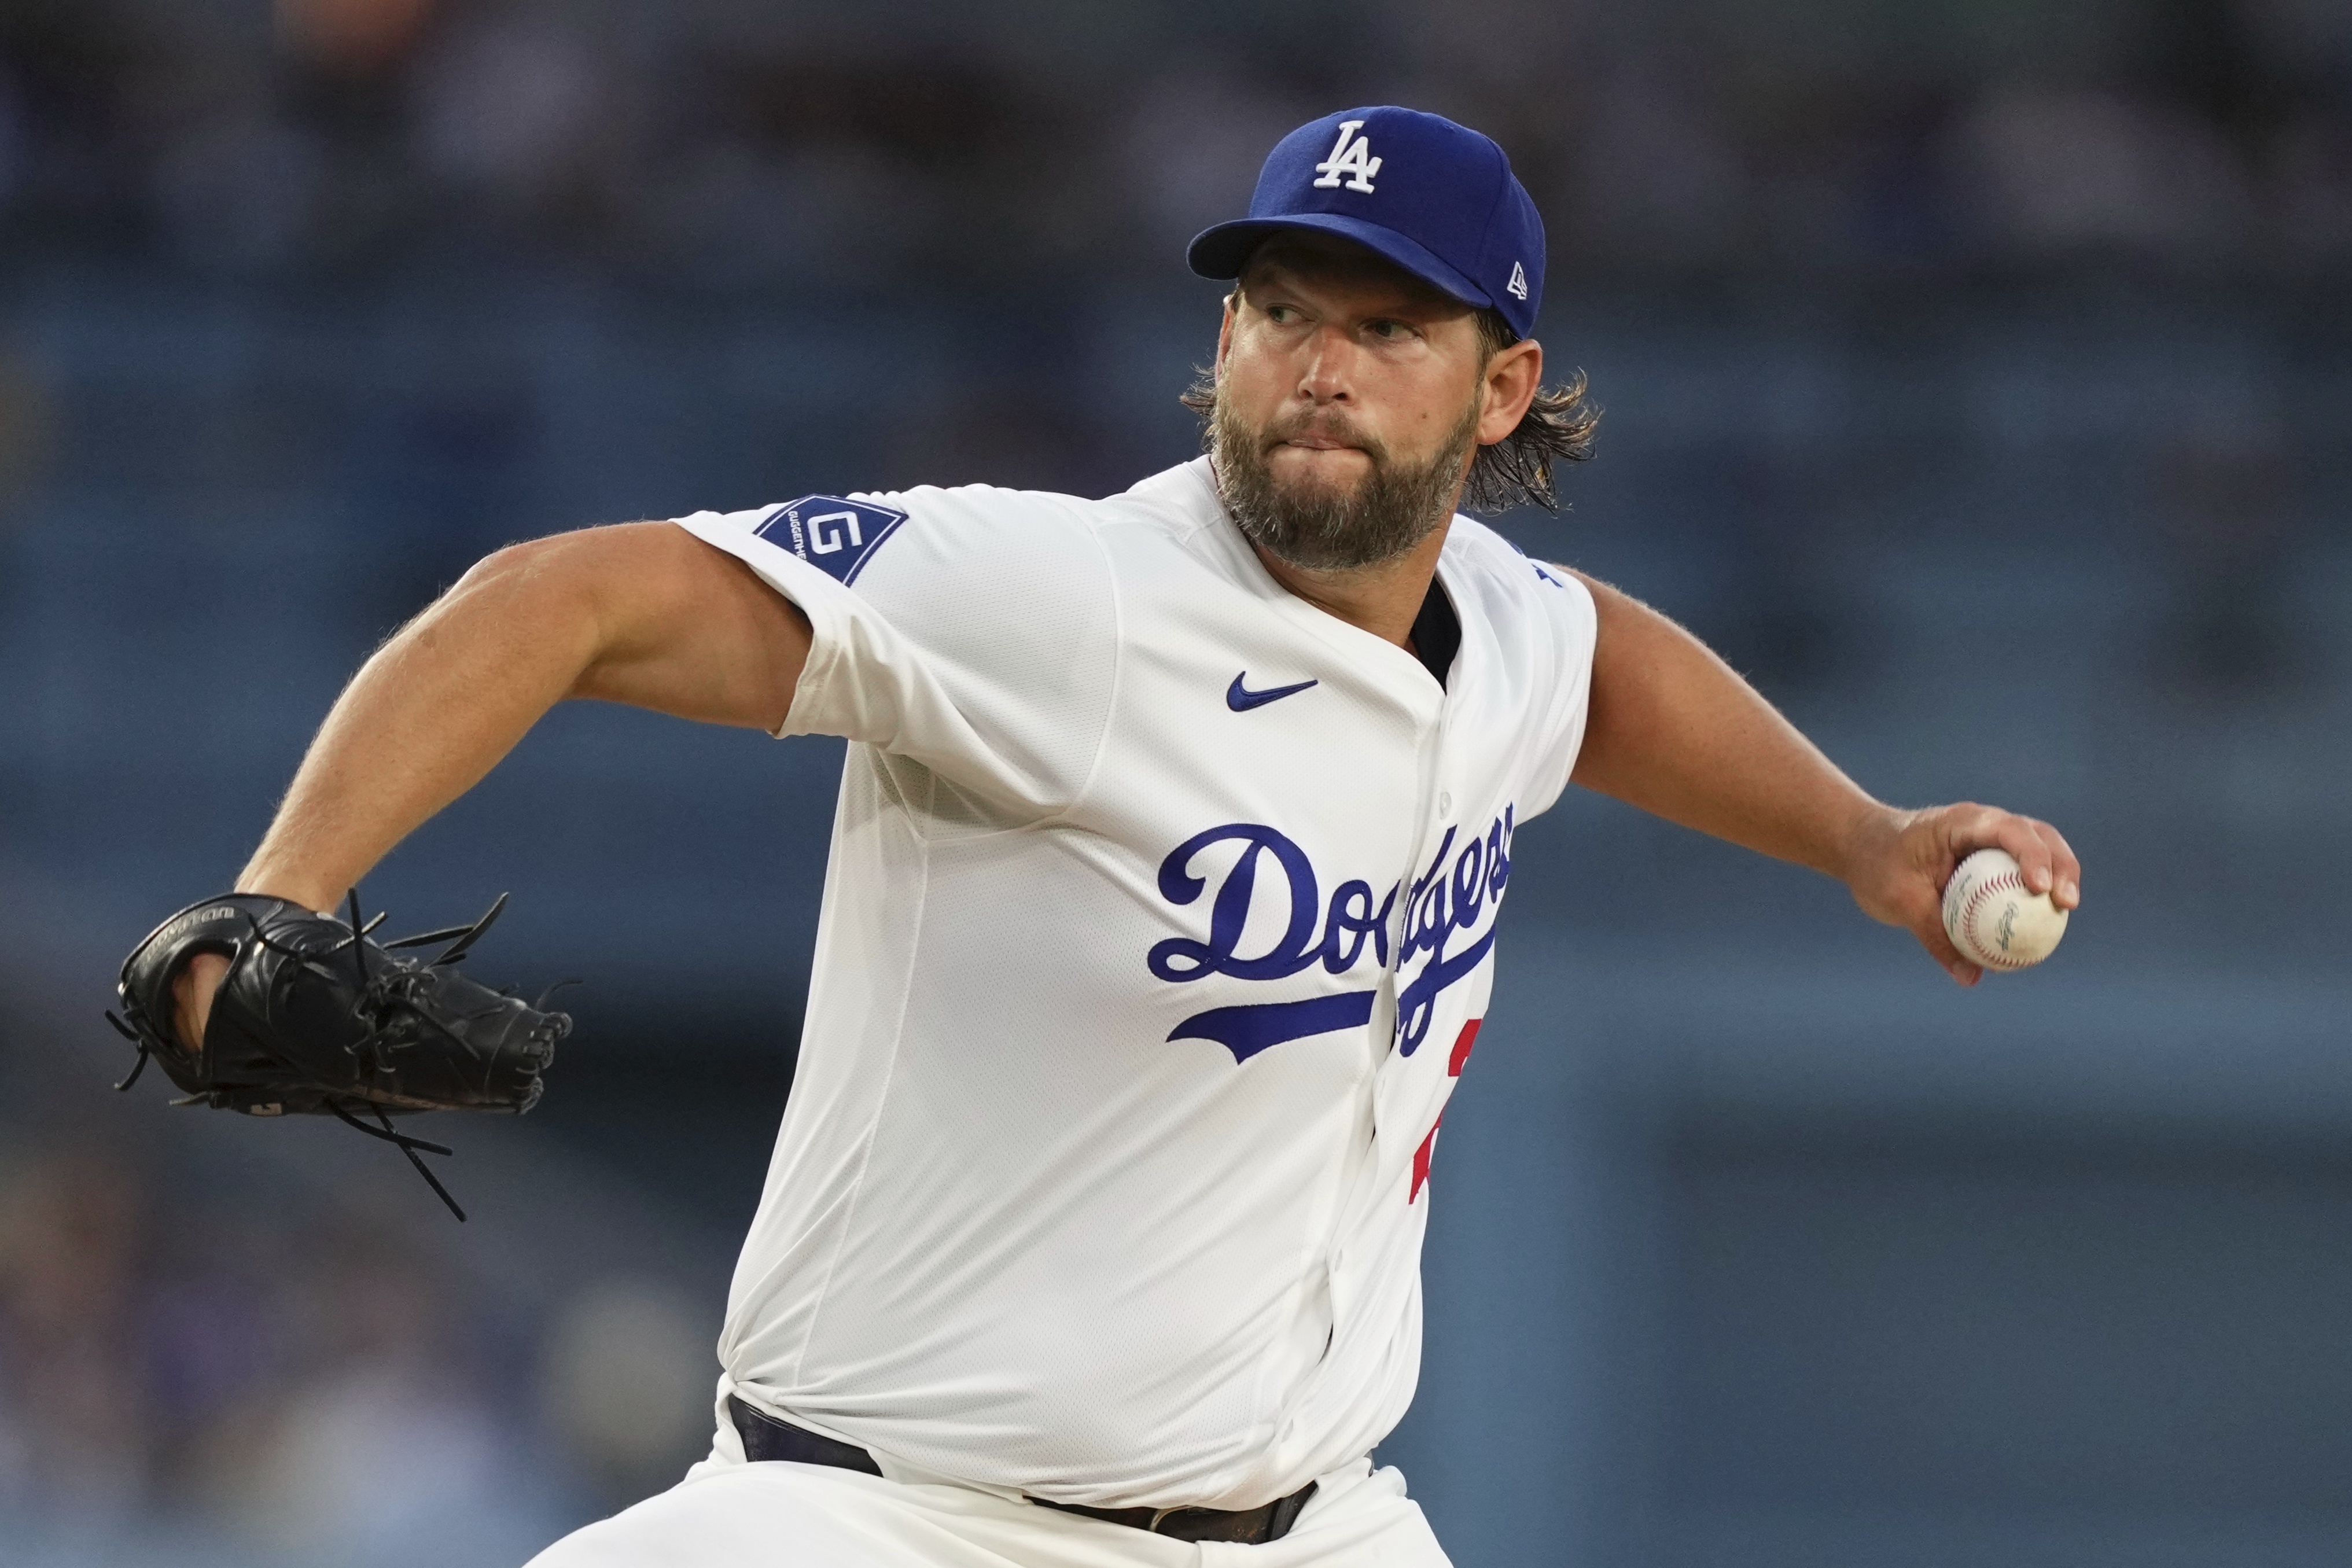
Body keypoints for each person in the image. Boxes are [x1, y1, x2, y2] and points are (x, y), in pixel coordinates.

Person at [169, 107, 2080, 1566]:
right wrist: (282, 897)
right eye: (1273, 310)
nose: (1313, 363)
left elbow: (1595, 674)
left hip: (1314, 1525)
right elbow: (554, 598)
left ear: (1501, 385)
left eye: (1384, 323)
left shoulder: (1499, 624)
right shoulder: (1054, 594)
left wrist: (1862, 838)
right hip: (889, 1523)